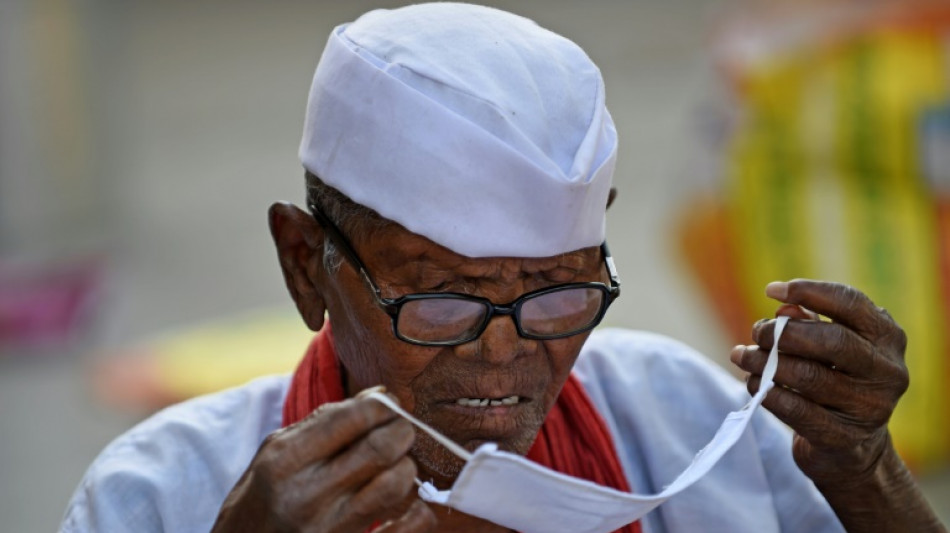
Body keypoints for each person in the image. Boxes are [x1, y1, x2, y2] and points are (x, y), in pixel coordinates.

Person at [61, 3, 946, 532]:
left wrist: (860, 468)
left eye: (559, 292)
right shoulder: (163, 492)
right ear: (305, 265)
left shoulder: (680, 421)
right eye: (445, 298)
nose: (503, 357)